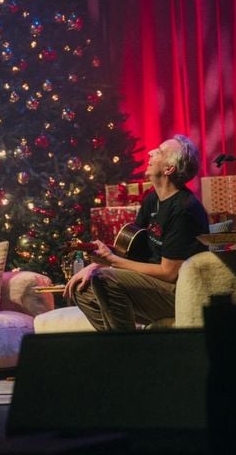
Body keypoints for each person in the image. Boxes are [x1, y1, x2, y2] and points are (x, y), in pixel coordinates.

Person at [63, 134, 209, 330]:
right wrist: (95, 265)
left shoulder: (184, 209)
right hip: (151, 283)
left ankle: (128, 345)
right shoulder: (152, 200)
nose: (151, 152)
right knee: (81, 288)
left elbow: (169, 273)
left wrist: (111, 262)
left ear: (169, 169)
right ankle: (122, 341)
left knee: (105, 279)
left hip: (177, 292)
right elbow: (130, 248)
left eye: (159, 151)